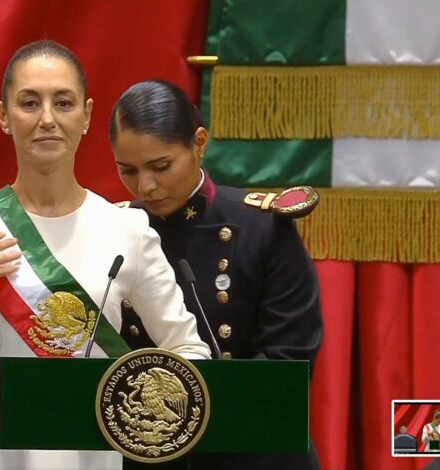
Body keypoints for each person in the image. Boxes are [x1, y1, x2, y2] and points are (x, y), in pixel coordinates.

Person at [0, 42, 211, 470]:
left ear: (85, 116)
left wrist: (139, 410)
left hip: (89, 449)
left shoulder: (128, 231)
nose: (47, 119)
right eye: (29, 103)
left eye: (62, 102)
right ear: (3, 116)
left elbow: (190, 351)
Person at [108, 79, 323, 469]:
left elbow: (290, 356)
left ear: (200, 143)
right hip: (151, 449)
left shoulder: (261, 226)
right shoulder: (114, 230)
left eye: (161, 166)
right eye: (128, 171)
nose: (146, 186)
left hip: (254, 448)